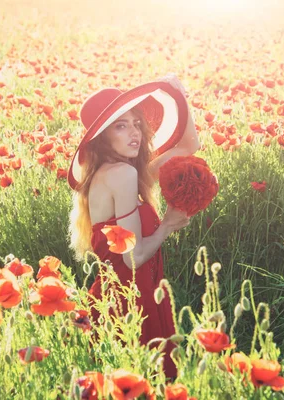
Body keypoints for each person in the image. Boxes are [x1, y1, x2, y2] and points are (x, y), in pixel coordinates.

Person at [67, 73, 201, 380]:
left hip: (130, 293)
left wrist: (180, 96)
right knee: (145, 380)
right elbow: (132, 257)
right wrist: (167, 225)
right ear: (102, 136)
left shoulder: (119, 172)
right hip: (129, 301)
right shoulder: (121, 176)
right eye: (121, 125)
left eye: (135, 123)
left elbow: (190, 144)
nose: (134, 133)